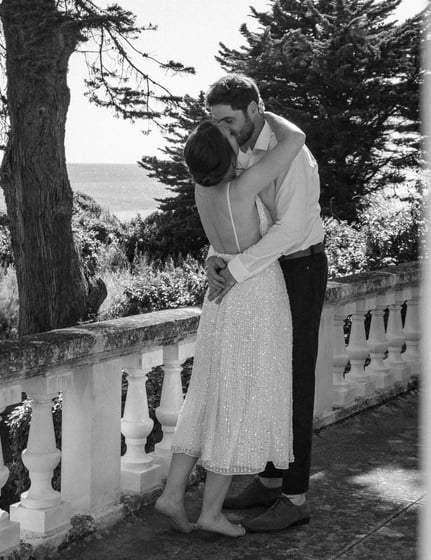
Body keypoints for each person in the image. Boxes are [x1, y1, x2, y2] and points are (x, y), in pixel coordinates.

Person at [154, 111, 306, 537]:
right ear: (228, 154)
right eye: (226, 130)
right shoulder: (242, 187)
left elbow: (221, 240)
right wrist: (258, 109)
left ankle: (173, 494)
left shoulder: (202, 190)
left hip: (220, 299)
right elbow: (295, 138)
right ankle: (211, 512)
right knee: (238, 400)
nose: (232, 129)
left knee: (207, 395)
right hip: (254, 295)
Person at [205, 74, 328, 532]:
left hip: (301, 267)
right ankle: (271, 482)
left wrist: (235, 271)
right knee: (268, 374)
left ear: (254, 111)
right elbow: (237, 214)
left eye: (228, 120)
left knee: (294, 378)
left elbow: (289, 230)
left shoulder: (291, 155)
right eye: (215, 122)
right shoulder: (238, 150)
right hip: (265, 270)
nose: (222, 130)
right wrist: (216, 257)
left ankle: (295, 498)